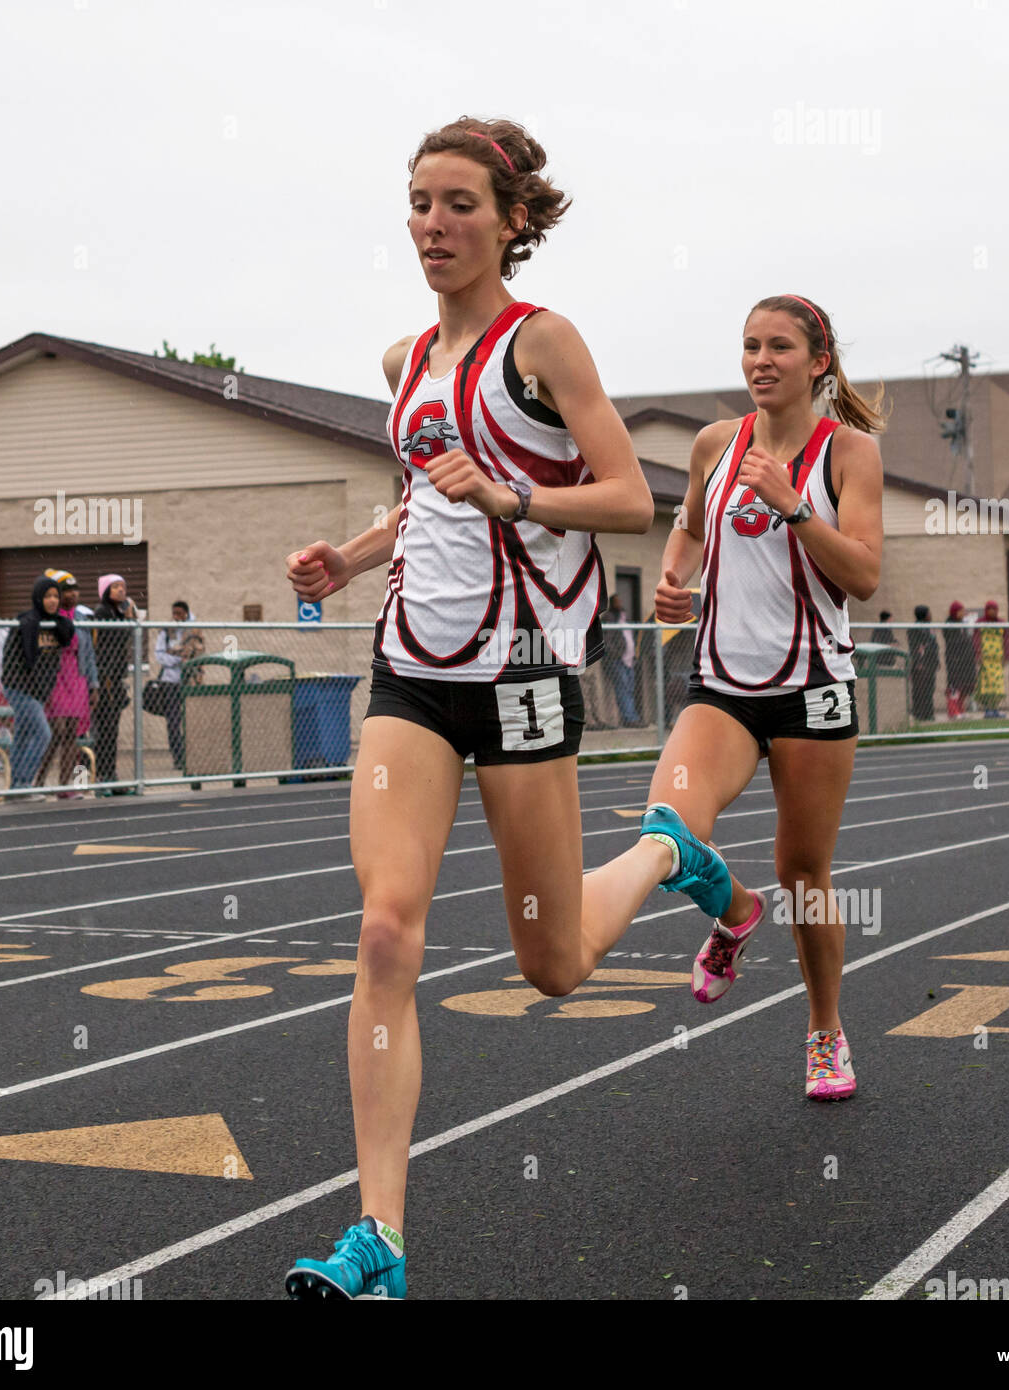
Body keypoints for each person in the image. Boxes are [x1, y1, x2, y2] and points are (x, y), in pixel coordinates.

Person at [282, 116, 679, 1302]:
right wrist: (349, 561)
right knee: (385, 929)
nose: (432, 225)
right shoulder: (404, 361)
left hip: (517, 676)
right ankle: (380, 1237)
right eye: (417, 203)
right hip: (409, 671)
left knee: (552, 962)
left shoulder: (542, 343)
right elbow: (425, 503)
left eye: (458, 205)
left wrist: (510, 491)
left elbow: (631, 496)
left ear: (511, 222)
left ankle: (664, 848)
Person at [617, 293, 884, 1114]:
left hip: (812, 691)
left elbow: (865, 577)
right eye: (748, 346)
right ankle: (732, 915)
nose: (760, 360)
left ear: (818, 363)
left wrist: (795, 507)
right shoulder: (713, 444)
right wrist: (674, 580)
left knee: (802, 875)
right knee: (669, 824)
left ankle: (825, 1028)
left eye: (778, 347)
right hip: (723, 687)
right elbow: (692, 529)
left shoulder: (850, 452)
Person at [1, 576, 74, 793]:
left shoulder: (58, 625)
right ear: (38, 598)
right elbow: (12, 659)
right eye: (47, 596)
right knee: (43, 734)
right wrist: (27, 683)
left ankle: (15, 786)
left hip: (40, 692)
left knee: (23, 736)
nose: (52, 600)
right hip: (20, 688)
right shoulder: (27, 622)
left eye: (55, 596)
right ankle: (24, 784)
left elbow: (67, 635)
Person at [36, 572, 98, 796]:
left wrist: (94, 684)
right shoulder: (48, 617)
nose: (72, 594)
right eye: (67, 590)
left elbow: (89, 653)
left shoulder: (80, 618)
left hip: (77, 677)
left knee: (72, 734)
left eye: (75, 590)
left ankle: (65, 786)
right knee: (54, 733)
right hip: (56, 678)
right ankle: (38, 783)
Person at [91, 574, 137, 792]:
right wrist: (127, 620)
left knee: (113, 730)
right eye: (115, 587)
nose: (121, 590)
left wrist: (129, 617)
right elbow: (112, 639)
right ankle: (101, 775)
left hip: (116, 678)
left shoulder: (119, 613)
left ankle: (110, 774)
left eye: (123, 586)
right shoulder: (102, 613)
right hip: (104, 678)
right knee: (104, 729)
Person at [153, 601, 204, 771]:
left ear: (186, 613)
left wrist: (181, 655)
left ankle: (194, 755)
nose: (176, 617)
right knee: (173, 722)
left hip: (190, 682)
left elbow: (198, 653)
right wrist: (178, 659)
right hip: (171, 682)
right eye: (174, 613)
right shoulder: (167, 631)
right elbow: (160, 655)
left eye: (179, 613)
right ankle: (178, 757)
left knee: (193, 720)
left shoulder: (195, 631)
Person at [602, 594, 640, 725]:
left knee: (630, 688)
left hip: (629, 660)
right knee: (622, 689)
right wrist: (615, 653)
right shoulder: (609, 617)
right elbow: (607, 639)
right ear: (612, 603)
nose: (620, 603)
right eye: (617, 601)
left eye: (621, 601)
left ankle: (631, 716)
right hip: (617, 660)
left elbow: (630, 635)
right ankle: (630, 719)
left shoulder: (625, 617)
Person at [972, 599, 1009, 718]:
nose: (992, 612)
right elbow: (976, 640)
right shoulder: (980, 622)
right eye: (989, 609)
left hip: (997, 660)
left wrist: (1006, 656)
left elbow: (1006, 640)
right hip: (985, 660)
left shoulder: (1001, 623)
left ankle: (995, 709)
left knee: (998, 685)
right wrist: (978, 654)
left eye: (994, 609)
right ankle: (988, 709)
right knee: (987, 685)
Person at [943, 600, 976, 717]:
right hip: (955, 659)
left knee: (964, 686)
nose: (963, 613)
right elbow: (953, 641)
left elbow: (967, 638)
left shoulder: (962, 623)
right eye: (960, 611)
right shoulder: (949, 624)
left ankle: (960, 709)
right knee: (954, 686)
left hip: (966, 660)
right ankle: (953, 711)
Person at [908, 605, 940, 721]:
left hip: (930, 663)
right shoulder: (915, 629)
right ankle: (920, 714)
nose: (930, 615)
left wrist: (936, 661)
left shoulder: (929, 628)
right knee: (920, 690)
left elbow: (934, 646)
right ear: (923, 614)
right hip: (921, 665)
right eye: (928, 613)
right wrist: (918, 662)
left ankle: (929, 713)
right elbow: (915, 648)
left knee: (930, 690)